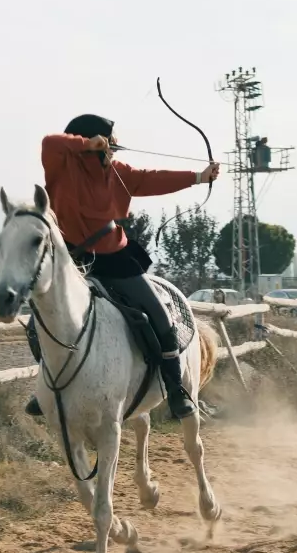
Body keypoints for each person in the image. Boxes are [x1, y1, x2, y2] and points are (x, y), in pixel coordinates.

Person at [23, 113, 220, 420]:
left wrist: (198, 177)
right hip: (70, 262)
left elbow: (152, 178)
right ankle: (47, 387)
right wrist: (86, 143)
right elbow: (50, 141)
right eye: (109, 140)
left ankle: (176, 389)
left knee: (159, 317)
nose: (114, 146)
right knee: (39, 321)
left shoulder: (117, 171)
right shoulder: (62, 165)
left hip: (115, 258)